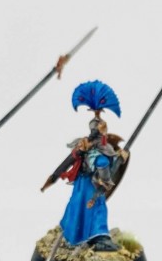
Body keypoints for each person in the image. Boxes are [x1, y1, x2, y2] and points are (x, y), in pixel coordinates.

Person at [47, 81, 129, 251]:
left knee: (82, 205)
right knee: (90, 207)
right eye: (102, 129)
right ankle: (97, 237)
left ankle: (81, 234)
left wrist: (120, 157)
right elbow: (97, 164)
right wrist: (53, 177)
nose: (104, 131)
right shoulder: (89, 148)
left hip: (88, 183)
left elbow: (108, 160)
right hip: (89, 183)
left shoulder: (103, 147)